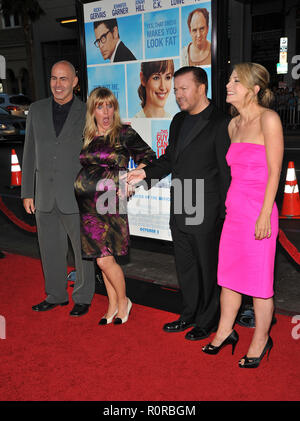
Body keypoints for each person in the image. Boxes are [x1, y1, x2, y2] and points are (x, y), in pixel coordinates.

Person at [128, 66, 230, 340]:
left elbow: (226, 172)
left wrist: (224, 214)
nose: (178, 94)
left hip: (206, 208)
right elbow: (170, 160)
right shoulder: (178, 121)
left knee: (207, 267)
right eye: (176, 90)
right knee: (185, 266)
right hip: (182, 200)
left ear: (201, 88)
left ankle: (208, 321)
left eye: (183, 89)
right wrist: (145, 173)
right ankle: (189, 314)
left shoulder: (220, 122)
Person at [202, 62, 284, 369]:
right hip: (234, 212)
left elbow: (275, 172)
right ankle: (225, 331)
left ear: (255, 89)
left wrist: (265, 214)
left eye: (237, 81)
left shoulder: (269, 119)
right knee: (229, 278)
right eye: (230, 80)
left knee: (260, 284)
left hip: (259, 211)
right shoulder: (232, 125)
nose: (228, 85)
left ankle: (261, 339)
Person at [74, 87, 156, 325]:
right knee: (102, 257)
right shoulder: (88, 135)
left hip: (110, 202)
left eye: (110, 106)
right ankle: (112, 305)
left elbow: (148, 156)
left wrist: (131, 177)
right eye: (100, 107)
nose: (106, 111)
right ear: (93, 111)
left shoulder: (124, 133)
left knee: (105, 259)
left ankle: (124, 301)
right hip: (88, 206)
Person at [21, 60, 95, 317]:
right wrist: (27, 192)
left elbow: (95, 156)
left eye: (64, 79)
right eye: (54, 78)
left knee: (82, 249)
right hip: (43, 193)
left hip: (75, 193)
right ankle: (55, 295)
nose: (58, 84)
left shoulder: (87, 112)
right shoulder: (37, 110)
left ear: (75, 82)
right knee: (49, 247)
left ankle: (83, 297)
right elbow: (29, 151)